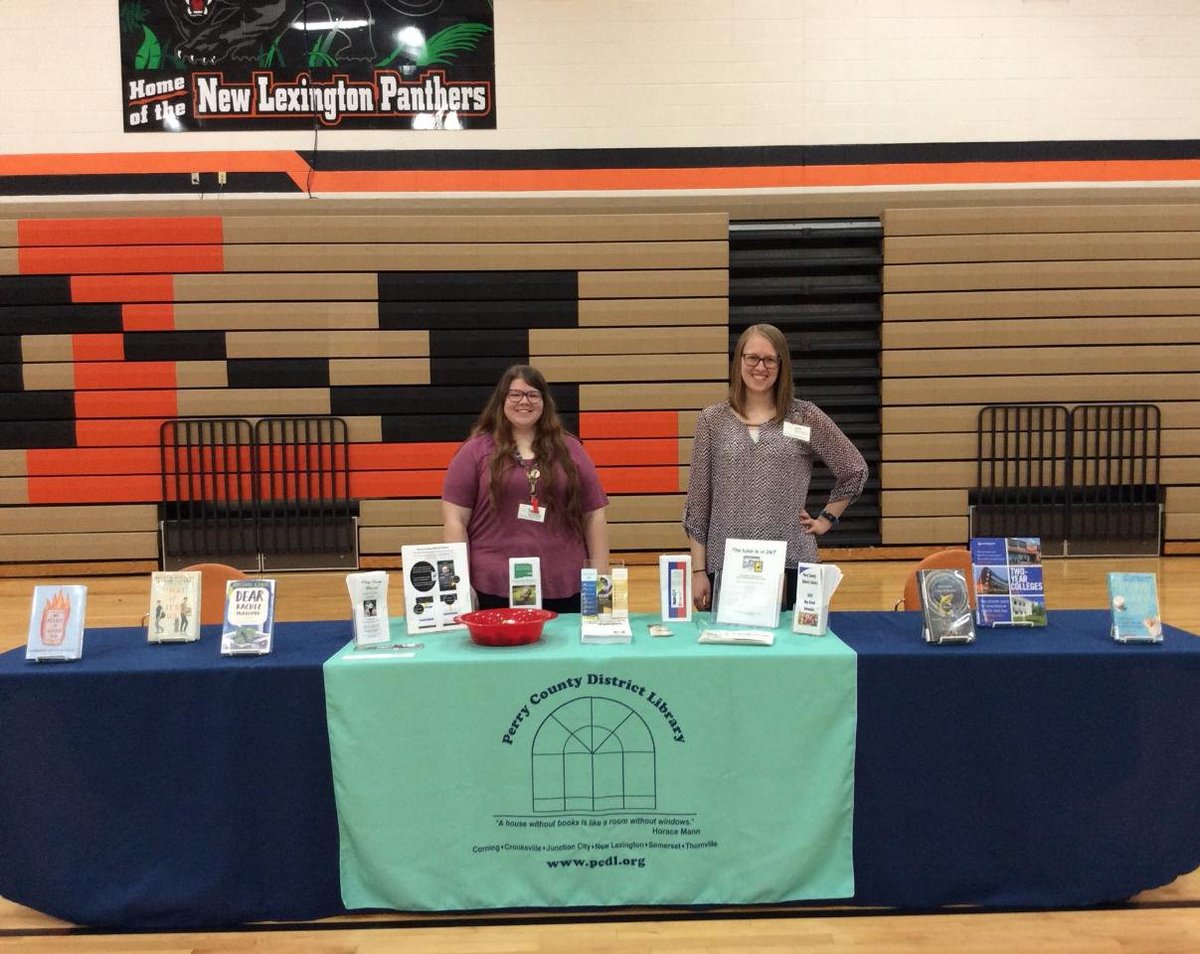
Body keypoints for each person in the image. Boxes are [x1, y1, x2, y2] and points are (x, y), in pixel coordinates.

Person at [684, 323, 868, 612]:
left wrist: (826, 519)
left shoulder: (804, 416)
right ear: (739, 360)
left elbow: (854, 469)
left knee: (793, 642)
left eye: (770, 359)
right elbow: (698, 504)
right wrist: (697, 571)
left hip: (792, 562)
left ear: (782, 365)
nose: (761, 367)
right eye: (752, 358)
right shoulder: (712, 420)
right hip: (727, 565)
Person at [442, 364, 609, 613]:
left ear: (544, 401)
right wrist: (460, 585)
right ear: (502, 400)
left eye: (532, 395)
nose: (524, 401)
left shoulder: (571, 449)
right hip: (493, 586)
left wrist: (601, 583)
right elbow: (454, 519)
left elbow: (594, 515)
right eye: (515, 394)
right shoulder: (474, 451)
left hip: (565, 584)